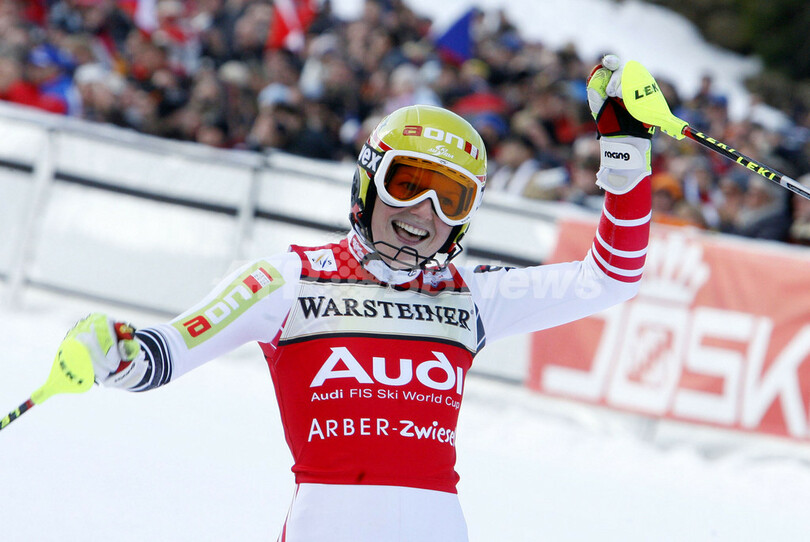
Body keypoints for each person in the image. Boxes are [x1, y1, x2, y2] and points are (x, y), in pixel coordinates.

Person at [60, 56, 657, 541]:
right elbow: (164, 353)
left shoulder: (473, 296)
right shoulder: (288, 279)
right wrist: (113, 353)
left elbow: (610, 276)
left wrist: (626, 172)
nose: (424, 214)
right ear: (368, 182)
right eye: (408, 184)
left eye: (451, 198)